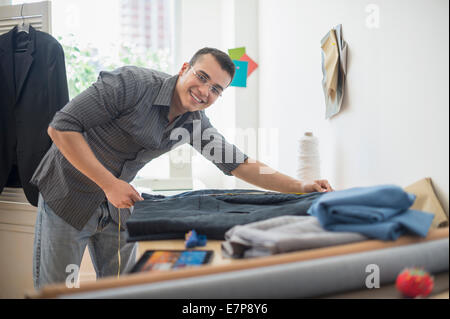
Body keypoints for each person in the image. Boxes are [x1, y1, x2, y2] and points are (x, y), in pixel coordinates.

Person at [30, 47, 333, 289]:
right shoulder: (130, 84)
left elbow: (241, 165)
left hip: (117, 207)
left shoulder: (195, 124)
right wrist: (109, 183)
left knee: (124, 288)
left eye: (216, 89)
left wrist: (301, 187)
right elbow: (61, 128)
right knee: (59, 288)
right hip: (68, 195)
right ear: (184, 69)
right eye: (202, 77)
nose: (205, 91)